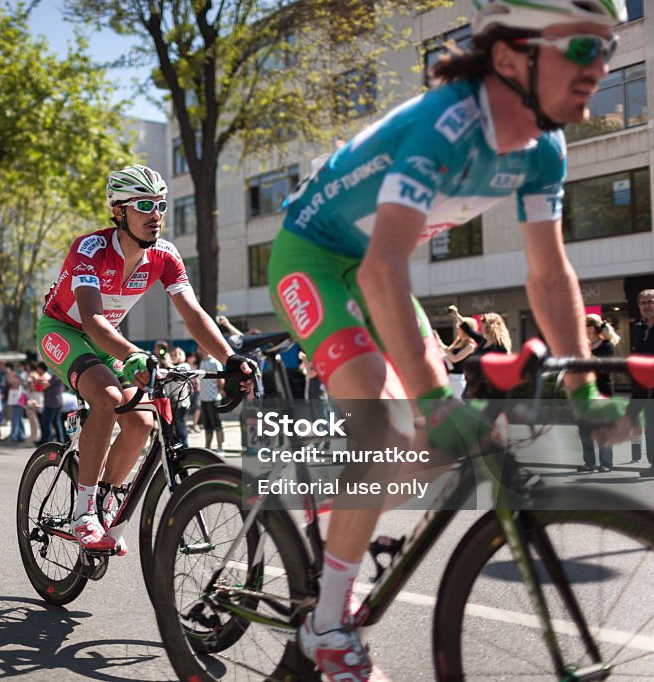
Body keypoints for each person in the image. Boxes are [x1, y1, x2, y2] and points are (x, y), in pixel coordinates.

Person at [266, 2, 634, 679]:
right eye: (583, 49)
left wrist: (585, 385)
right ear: (509, 56)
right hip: (315, 257)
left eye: (607, 49)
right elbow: (381, 269)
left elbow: (549, 273)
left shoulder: (542, 148)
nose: (601, 68)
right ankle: (327, 629)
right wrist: (435, 398)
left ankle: (347, 497)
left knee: (443, 443)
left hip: (375, 266)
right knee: (385, 423)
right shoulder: (448, 127)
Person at [36, 163, 255, 553]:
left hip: (107, 340)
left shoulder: (166, 256)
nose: (155, 215)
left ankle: (105, 500)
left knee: (140, 422)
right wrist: (135, 353)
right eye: (144, 205)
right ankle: (84, 512)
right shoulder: (91, 249)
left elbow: (193, 313)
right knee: (106, 398)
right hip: (64, 330)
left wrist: (231, 357)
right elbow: (92, 318)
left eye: (161, 205)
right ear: (119, 210)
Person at [577, 313, 619, 473]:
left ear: (593, 328)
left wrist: (588, 352)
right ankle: (589, 463)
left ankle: (606, 463)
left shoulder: (606, 346)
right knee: (584, 429)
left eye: (586, 327)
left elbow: (605, 368)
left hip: (603, 390)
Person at [633, 289, 654, 476]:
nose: (648, 305)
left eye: (651, 301)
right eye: (644, 302)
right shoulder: (638, 328)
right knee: (650, 427)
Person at [433, 315, 480, 398]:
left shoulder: (470, 346)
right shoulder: (458, 342)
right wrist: (439, 342)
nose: (458, 329)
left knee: (459, 403)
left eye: (459, 327)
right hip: (449, 377)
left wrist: (442, 345)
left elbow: (455, 359)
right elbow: (447, 353)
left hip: (459, 379)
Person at [197, 348, 225, 453]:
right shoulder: (202, 362)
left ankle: (220, 447)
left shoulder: (215, 362)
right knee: (207, 425)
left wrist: (219, 391)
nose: (199, 350)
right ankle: (207, 448)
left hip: (214, 398)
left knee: (217, 424)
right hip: (204, 398)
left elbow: (221, 380)